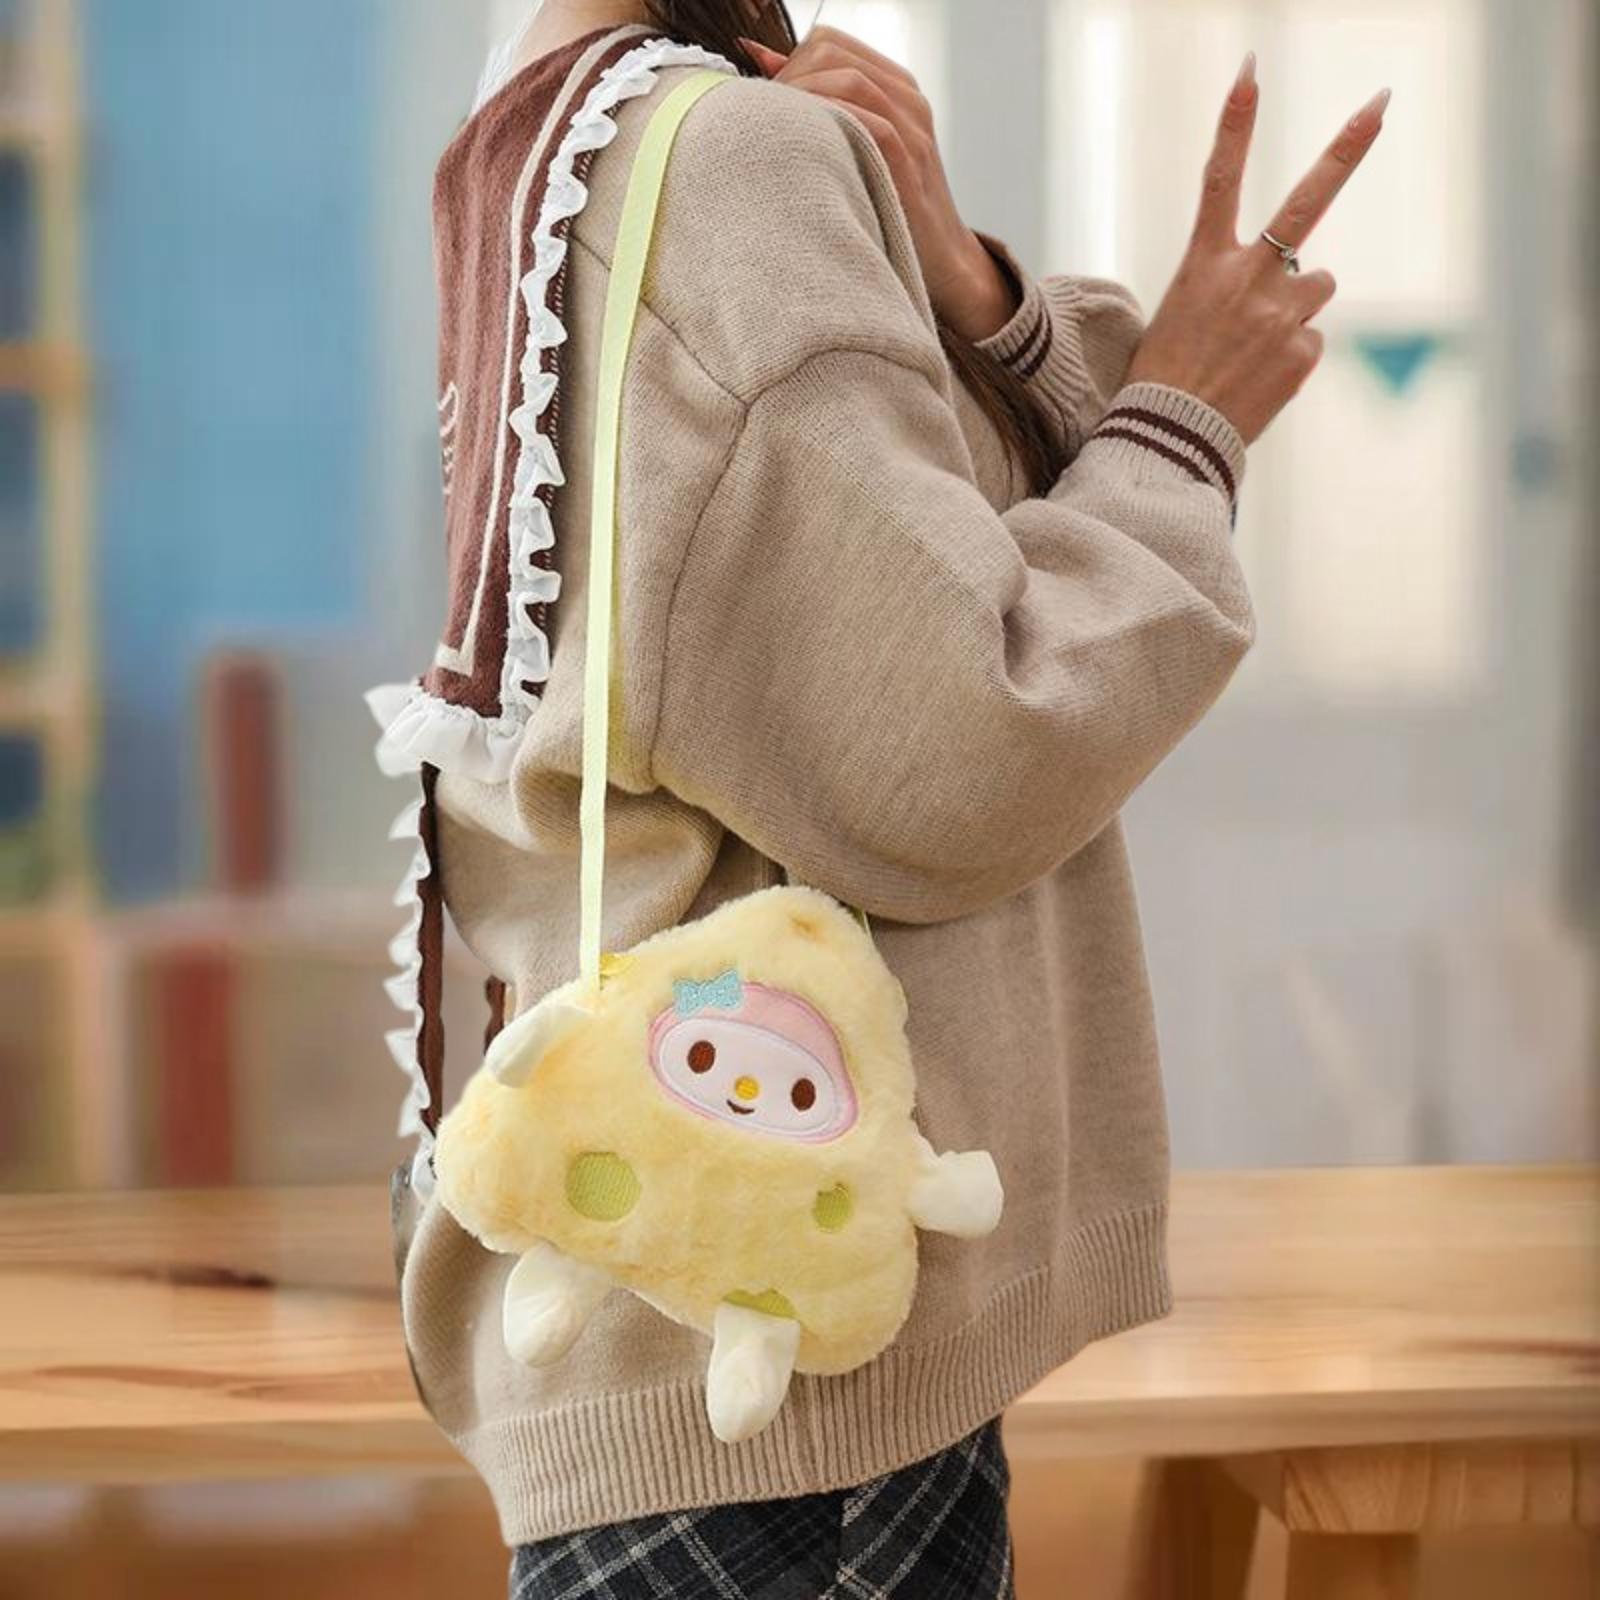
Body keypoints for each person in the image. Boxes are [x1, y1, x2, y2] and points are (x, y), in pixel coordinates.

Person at [370, 3, 1388, 1595]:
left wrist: (973, 297)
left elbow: (871, 580)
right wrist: (1178, 426)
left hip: (673, 1270)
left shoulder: (535, 149)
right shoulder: (730, 164)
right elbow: (956, 747)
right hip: (793, 1365)